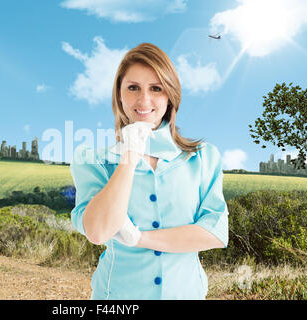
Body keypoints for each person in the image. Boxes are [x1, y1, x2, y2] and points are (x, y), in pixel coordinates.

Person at [69, 42, 229, 300]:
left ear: (170, 96)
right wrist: (130, 156)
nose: (144, 100)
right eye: (133, 88)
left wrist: (139, 238)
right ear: (119, 95)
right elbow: (98, 231)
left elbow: (214, 233)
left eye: (156, 88)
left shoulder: (203, 158)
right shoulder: (92, 160)